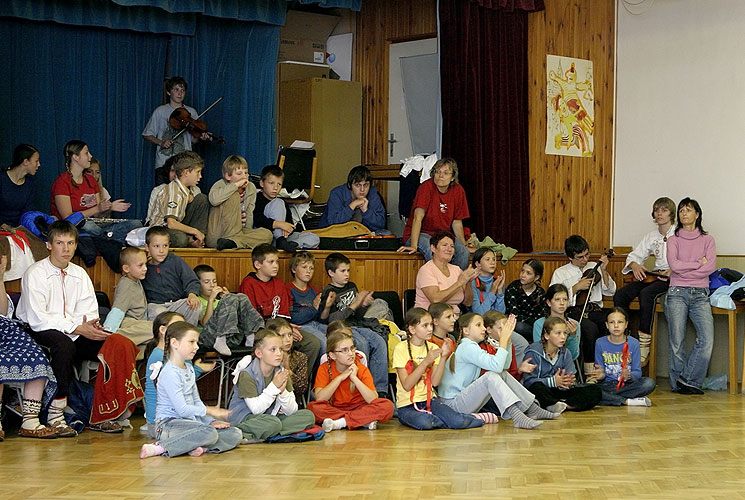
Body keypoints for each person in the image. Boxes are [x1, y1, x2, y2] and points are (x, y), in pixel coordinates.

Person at [17, 221, 130, 435]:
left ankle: (106, 412)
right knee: (64, 345)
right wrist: (76, 328)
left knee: (117, 343)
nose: (65, 249)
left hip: (76, 330)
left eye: (70, 243)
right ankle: (56, 414)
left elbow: (89, 311)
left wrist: (88, 328)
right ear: (49, 245)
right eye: (60, 243)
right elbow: (38, 318)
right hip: (38, 330)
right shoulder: (35, 273)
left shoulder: (79, 274)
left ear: (76, 245)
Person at [438, 313, 562, 428]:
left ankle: (532, 408)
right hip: (452, 406)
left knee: (499, 374)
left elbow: (503, 367)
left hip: (461, 402)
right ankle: (517, 416)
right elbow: (496, 366)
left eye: (483, 325)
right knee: (491, 376)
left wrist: (507, 341)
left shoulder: (471, 346)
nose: (484, 328)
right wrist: (503, 339)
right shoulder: (467, 347)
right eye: (478, 325)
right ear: (466, 330)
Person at [140, 321, 241, 458]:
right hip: (168, 425)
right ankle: (161, 447)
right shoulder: (170, 372)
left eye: (197, 342)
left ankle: (198, 447)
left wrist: (209, 421)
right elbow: (182, 409)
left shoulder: (188, 369)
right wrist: (210, 410)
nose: (196, 347)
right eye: (191, 342)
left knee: (235, 433)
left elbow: (196, 401)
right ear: (175, 343)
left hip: (192, 424)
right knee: (209, 433)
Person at [238, 243, 320, 377]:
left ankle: (298, 386)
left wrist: (288, 330)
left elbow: (285, 315)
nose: (276, 265)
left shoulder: (279, 284)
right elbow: (251, 320)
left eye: (277, 261)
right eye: (271, 262)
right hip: (261, 332)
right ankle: (274, 382)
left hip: (282, 329)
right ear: (258, 265)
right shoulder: (249, 284)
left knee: (313, 343)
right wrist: (283, 330)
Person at [393, 307, 483, 430]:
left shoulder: (432, 347)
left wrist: (443, 357)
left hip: (430, 401)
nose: (430, 329)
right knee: (426, 423)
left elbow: (435, 382)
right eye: (425, 326)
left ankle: (469, 419)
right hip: (407, 406)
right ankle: (454, 419)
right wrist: (425, 362)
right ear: (412, 329)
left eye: (430, 325)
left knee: (457, 422)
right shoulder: (400, 348)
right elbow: (407, 385)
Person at [0, 254, 57, 439]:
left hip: (3, 328)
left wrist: (0, 277)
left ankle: (30, 420)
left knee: (36, 356)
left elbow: (2, 312)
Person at [614, 197, 676, 366]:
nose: (659, 213)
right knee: (621, 294)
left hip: (672, 278)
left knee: (646, 293)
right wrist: (634, 265)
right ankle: (621, 337)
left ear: (671, 213)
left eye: (664, 210)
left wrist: (673, 270)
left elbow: (687, 259)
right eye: (657, 210)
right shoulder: (651, 236)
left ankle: (643, 346)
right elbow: (635, 256)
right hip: (654, 275)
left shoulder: (679, 234)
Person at [318, 252, 390, 396]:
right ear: (331, 272)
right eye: (343, 271)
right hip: (343, 329)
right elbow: (331, 320)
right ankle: (360, 387)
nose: (347, 274)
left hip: (358, 324)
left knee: (379, 341)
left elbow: (357, 314)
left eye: (348, 270)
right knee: (361, 344)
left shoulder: (351, 286)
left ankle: (379, 390)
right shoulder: (329, 292)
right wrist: (354, 304)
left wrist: (363, 304)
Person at [665, 197, 716, 395]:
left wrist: (692, 269)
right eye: (681, 210)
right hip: (677, 292)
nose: (683, 213)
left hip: (701, 294)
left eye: (688, 210)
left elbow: (710, 268)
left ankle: (689, 381)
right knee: (677, 341)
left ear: (697, 214)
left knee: (706, 339)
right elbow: (674, 267)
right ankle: (677, 385)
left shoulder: (707, 240)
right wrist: (697, 263)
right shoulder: (673, 240)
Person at [227, 329, 315, 442]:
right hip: (246, 418)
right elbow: (256, 410)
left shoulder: (281, 372)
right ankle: (239, 431)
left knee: (308, 416)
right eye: (273, 350)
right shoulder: (246, 374)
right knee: (272, 423)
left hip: (270, 417)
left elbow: (292, 410)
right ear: (259, 353)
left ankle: (266, 434)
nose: (279, 353)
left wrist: (283, 393)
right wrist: (274, 386)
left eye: (281, 349)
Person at [550, 234, 616, 380]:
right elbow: (554, 298)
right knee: (589, 329)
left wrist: (603, 270)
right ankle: (590, 373)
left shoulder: (594, 267)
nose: (585, 260)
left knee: (611, 325)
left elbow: (610, 291)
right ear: (570, 257)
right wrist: (575, 287)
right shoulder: (560, 273)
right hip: (574, 312)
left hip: (595, 309)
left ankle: (611, 369)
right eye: (580, 257)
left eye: (587, 255)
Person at [51, 140, 140, 244]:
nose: (90, 156)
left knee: (135, 224)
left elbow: (98, 215)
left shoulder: (90, 180)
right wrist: (96, 208)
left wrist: (109, 207)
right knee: (88, 226)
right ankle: (107, 238)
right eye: (86, 153)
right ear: (75, 157)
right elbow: (68, 218)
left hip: (95, 225)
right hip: (72, 228)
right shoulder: (62, 182)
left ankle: (105, 237)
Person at [142, 312, 214, 438]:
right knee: (209, 433)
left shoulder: (180, 356)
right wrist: (197, 369)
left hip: (185, 418)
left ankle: (197, 443)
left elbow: (185, 385)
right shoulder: (160, 356)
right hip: (165, 422)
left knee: (228, 431)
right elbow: (177, 386)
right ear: (163, 330)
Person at [307, 328, 394, 432]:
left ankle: (340, 423)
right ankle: (361, 421)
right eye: (344, 350)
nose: (351, 353)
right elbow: (320, 398)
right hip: (335, 408)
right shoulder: (325, 368)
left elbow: (373, 399)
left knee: (387, 406)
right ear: (332, 355)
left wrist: (354, 378)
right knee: (313, 408)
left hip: (360, 407)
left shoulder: (361, 368)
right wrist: (340, 378)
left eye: (352, 348)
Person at [397, 158, 472, 270]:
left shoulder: (458, 190)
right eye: (437, 172)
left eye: (445, 173)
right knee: (433, 250)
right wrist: (413, 245)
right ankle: (438, 282)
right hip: (421, 234)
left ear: (452, 177)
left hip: (443, 236)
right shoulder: (426, 187)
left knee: (463, 254)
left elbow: (456, 223)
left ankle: (455, 284)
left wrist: (463, 245)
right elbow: (418, 218)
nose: (440, 175)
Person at [522, 317, 602, 412]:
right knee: (537, 388)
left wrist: (568, 381)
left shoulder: (566, 352)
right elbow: (529, 382)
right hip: (542, 390)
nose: (563, 337)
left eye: (565, 333)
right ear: (547, 335)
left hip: (559, 391)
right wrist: (553, 381)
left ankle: (562, 405)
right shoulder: (533, 352)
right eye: (558, 333)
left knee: (595, 391)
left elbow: (570, 378)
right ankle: (555, 404)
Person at [193, 264, 264, 356]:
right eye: (207, 282)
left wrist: (230, 299)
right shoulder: (197, 301)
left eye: (214, 281)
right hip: (208, 339)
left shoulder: (220, 300)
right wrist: (211, 300)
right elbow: (205, 323)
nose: (212, 285)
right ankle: (220, 339)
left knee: (241, 297)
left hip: (230, 337)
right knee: (231, 298)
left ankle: (250, 335)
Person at [205, 154, 273, 250]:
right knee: (234, 195)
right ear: (228, 176)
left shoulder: (251, 188)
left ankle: (234, 242)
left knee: (267, 235)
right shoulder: (220, 185)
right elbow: (214, 200)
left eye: (246, 173)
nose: (244, 177)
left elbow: (249, 212)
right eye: (239, 173)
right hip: (219, 235)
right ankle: (233, 241)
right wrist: (235, 185)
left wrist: (248, 232)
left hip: (240, 232)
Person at [142, 76, 206, 173]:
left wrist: (200, 136)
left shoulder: (191, 112)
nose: (180, 93)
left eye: (183, 90)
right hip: (163, 163)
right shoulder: (160, 111)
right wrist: (161, 142)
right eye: (176, 90)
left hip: (186, 165)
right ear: (169, 92)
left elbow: (193, 141)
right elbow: (147, 134)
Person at [593, 308, 655, 406]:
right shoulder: (600, 343)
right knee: (587, 389)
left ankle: (609, 398)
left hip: (627, 384)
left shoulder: (633, 343)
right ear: (607, 325)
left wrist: (629, 376)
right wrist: (601, 375)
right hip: (607, 385)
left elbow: (638, 372)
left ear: (626, 324)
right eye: (612, 322)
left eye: (620, 322)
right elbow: (601, 371)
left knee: (649, 383)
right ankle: (628, 401)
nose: (616, 326)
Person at [141, 226, 202, 326]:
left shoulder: (176, 262)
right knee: (158, 314)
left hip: (176, 303)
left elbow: (192, 280)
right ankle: (163, 339)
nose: (161, 250)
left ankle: (187, 336)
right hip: (156, 305)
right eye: (156, 246)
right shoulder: (144, 266)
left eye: (165, 246)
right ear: (147, 247)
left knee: (196, 306)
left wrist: (192, 294)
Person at [147, 151, 209, 248]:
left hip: (176, 223)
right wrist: (195, 231)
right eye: (198, 172)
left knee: (202, 199)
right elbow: (171, 224)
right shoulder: (174, 191)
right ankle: (190, 239)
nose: (200, 176)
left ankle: (198, 239)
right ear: (186, 172)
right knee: (180, 239)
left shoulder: (185, 189)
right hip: (161, 229)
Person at [253, 164, 320, 251]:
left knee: (314, 238)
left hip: (284, 240)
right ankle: (280, 240)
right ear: (262, 183)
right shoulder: (256, 199)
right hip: (265, 237)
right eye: (271, 183)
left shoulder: (283, 203)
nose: (275, 188)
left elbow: (290, 223)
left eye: (279, 184)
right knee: (278, 202)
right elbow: (257, 220)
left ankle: (293, 245)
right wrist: (280, 225)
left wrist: (287, 230)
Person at [102, 247, 157, 347]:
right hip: (128, 323)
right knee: (156, 329)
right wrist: (108, 330)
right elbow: (117, 310)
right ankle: (114, 337)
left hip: (139, 322)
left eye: (145, 264)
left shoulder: (135, 280)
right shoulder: (126, 285)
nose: (145, 268)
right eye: (140, 265)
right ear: (126, 268)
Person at [414, 230, 477, 317]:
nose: (449, 249)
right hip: (430, 319)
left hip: (454, 319)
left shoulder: (456, 269)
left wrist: (469, 281)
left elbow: (468, 302)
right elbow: (436, 300)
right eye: (444, 245)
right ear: (433, 248)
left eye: (452, 246)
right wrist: (459, 283)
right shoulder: (426, 270)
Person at [286, 251, 334, 353]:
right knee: (323, 342)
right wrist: (313, 308)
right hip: (301, 327)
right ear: (294, 269)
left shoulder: (314, 291)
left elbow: (321, 319)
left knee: (338, 337)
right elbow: (293, 319)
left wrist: (327, 307)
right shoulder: (288, 290)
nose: (308, 271)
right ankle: (321, 369)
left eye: (311, 268)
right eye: (304, 267)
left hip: (316, 324)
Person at [319, 165, 387, 232]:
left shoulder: (373, 194)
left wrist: (366, 211)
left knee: (386, 233)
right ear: (349, 185)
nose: (362, 189)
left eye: (365, 185)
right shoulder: (337, 193)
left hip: (362, 234)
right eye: (357, 185)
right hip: (335, 235)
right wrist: (352, 205)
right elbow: (333, 223)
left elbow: (381, 225)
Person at [532, 284, 581, 361]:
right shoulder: (539, 324)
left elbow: (573, 356)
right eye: (557, 299)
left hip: (567, 367)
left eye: (565, 299)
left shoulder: (574, 324)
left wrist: (572, 336)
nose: (562, 303)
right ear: (549, 302)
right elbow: (540, 352)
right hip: (546, 365)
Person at [482, 310, 533, 382]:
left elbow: (510, 376)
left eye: (506, 327)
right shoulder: (482, 348)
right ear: (489, 330)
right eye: (500, 328)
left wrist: (519, 371)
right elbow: (493, 375)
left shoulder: (510, 345)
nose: (505, 331)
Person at [266, 317, 310, 401]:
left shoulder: (300, 357)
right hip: (267, 400)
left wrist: (288, 370)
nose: (288, 340)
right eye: (282, 336)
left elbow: (301, 389)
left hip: (290, 402)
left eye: (290, 335)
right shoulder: (266, 356)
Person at [504, 258, 547, 342]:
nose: (523, 275)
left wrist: (534, 322)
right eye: (522, 271)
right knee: (519, 326)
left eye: (528, 273)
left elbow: (540, 318)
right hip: (515, 325)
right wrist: (531, 320)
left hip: (534, 327)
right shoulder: (513, 288)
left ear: (536, 277)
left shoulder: (540, 293)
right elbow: (514, 315)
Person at [1, 144, 40, 227]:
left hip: (18, 229)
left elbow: (27, 213)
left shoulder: (30, 184)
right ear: (25, 162)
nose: (39, 164)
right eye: (36, 161)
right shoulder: (2, 179)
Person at [469, 248, 505, 315]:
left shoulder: (497, 281)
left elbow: (501, 313)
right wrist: (492, 292)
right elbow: (478, 313)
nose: (492, 262)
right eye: (487, 259)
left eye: (494, 259)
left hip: (494, 321)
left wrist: (499, 292)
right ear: (478, 264)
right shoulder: (472, 282)